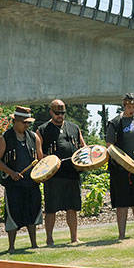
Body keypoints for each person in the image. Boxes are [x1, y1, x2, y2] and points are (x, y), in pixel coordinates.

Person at [35, 99, 86, 246]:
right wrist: (51, 161)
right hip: (53, 176)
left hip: (72, 173)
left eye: (62, 113)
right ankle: (49, 239)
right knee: (51, 209)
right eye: (57, 113)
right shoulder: (42, 130)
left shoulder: (74, 128)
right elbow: (39, 155)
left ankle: (74, 238)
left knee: (72, 208)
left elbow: (83, 147)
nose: (60, 115)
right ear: (51, 112)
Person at [0, 105, 42, 252]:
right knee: (13, 214)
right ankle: (11, 247)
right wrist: (11, 172)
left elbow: (39, 158)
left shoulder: (34, 137)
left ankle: (34, 244)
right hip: (13, 184)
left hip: (32, 183)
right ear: (15, 121)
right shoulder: (4, 138)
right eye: (24, 122)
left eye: (28, 123)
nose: (27, 125)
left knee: (33, 212)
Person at [105, 92, 134, 239]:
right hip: (119, 168)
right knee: (122, 203)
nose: (131, 108)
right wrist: (122, 161)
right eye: (129, 105)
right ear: (124, 105)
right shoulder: (114, 122)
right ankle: (121, 236)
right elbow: (109, 146)